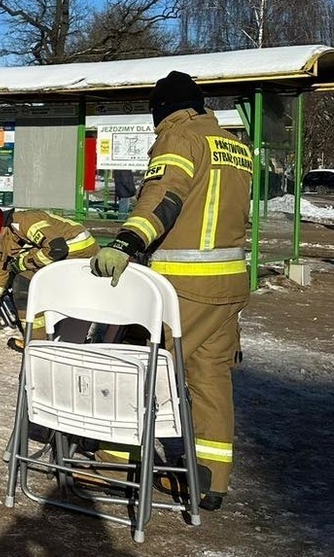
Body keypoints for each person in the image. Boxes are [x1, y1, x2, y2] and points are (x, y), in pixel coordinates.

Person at [90, 71, 251, 511]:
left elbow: (164, 196)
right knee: (211, 378)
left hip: (184, 288)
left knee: (138, 367)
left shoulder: (178, 138)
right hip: (230, 284)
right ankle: (210, 481)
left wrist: (126, 242)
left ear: (163, 109)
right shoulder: (234, 146)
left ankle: (112, 463)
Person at [0, 203, 99, 351]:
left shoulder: (25, 222)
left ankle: (36, 343)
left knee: (23, 283)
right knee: (21, 277)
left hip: (80, 253)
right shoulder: (7, 236)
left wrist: (23, 262)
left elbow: (57, 249)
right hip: (66, 256)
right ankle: (41, 338)